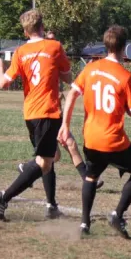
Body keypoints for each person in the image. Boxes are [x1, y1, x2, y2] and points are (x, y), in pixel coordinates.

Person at [58, 25, 131, 239]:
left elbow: (71, 95)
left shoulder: (90, 69)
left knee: (90, 176)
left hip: (92, 138)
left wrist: (65, 126)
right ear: (124, 48)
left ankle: (84, 224)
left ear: (106, 45)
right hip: (114, 140)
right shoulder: (124, 76)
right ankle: (117, 214)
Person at [0, 9, 71, 221]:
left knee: (50, 157)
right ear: (42, 26)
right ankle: (4, 196)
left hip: (31, 112)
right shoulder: (54, 46)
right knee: (44, 162)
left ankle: (51, 205)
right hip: (48, 111)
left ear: (26, 32)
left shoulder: (20, 52)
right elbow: (67, 76)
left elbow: (3, 82)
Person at [24, 30, 104, 190]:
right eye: (51, 40)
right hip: (44, 114)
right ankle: (27, 170)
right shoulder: (44, 58)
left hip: (53, 113)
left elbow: (68, 82)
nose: (54, 42)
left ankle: (87, 179)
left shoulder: (54, 59)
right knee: (57, 153)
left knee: (66, 148)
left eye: (55, 39)